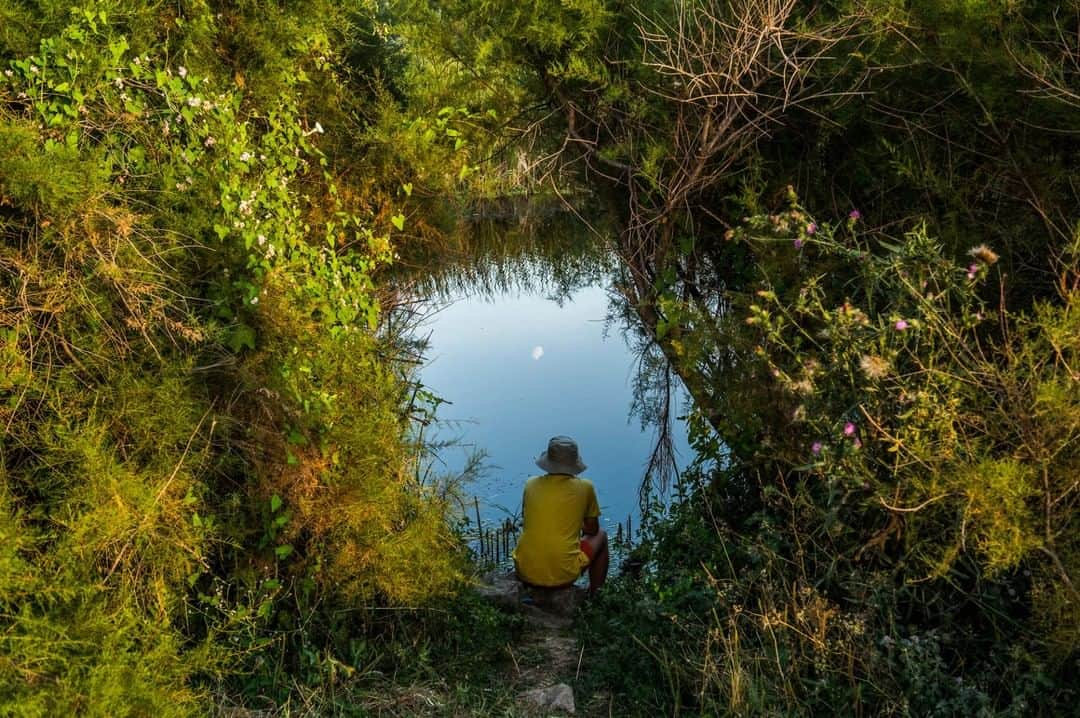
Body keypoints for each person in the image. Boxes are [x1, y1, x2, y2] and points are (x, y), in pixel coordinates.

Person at [511, 436, 609, 596]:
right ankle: (594, 595)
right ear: (574, 463)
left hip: (524, 570)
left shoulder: (530, 484)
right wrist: (575, 523)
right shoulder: (585, 487)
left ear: (548, 461)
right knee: (601, 536)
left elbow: (529, 519)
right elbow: (592, 530)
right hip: (562, 575)